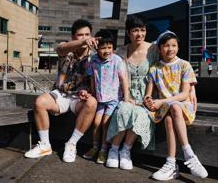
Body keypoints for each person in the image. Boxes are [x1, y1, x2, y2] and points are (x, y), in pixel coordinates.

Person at [24, 19, 98, 163]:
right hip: (62, 94)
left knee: (92, 102)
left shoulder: (95, 56)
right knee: (40, 102)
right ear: (73, 37)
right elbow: (61, 48)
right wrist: (83, 42)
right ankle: (45, 145)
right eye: (80, 35)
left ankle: (71, 144)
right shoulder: (65, 50)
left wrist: (88, 92)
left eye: (87, 34)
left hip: (79, 99)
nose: (85, 38)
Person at [144, 31, 208, 181]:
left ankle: (188, 153)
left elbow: (185, 94)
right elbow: (148, 93)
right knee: (168, 120)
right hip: (166, 110)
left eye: (174, 45)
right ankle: (172, 164)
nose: (170, 49)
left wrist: (160, 102)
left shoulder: (184, 65)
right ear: (159, 48)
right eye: (166, 46)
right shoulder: (154, 68)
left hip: (183, 106)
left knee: (175, 107)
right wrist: (148, 100)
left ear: (178, 47)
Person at [105, 15, 159, 170]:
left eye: (142, 30)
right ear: (128, 33)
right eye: (135, 30)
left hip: (147, 97)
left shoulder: (154, 49)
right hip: (126, 95)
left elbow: (169, 65)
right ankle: (114, 150)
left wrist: (190, 89)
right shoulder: (121, 51)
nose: (140, 34)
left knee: (141, 114)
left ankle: (125, 151)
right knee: (124, 110)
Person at [82, 30, 129, 164]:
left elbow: (124, 79)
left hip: (113, 98)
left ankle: (103, 149)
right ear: (97, 47)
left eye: (109, 47)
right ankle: (95, 147)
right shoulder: (93, 60)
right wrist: (91, 91)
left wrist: (126, 98)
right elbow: (92, 77)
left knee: (105, 123)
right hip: (100, 98)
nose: (107, 50)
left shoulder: (117, 60)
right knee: (96, 123)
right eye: (103, 47)